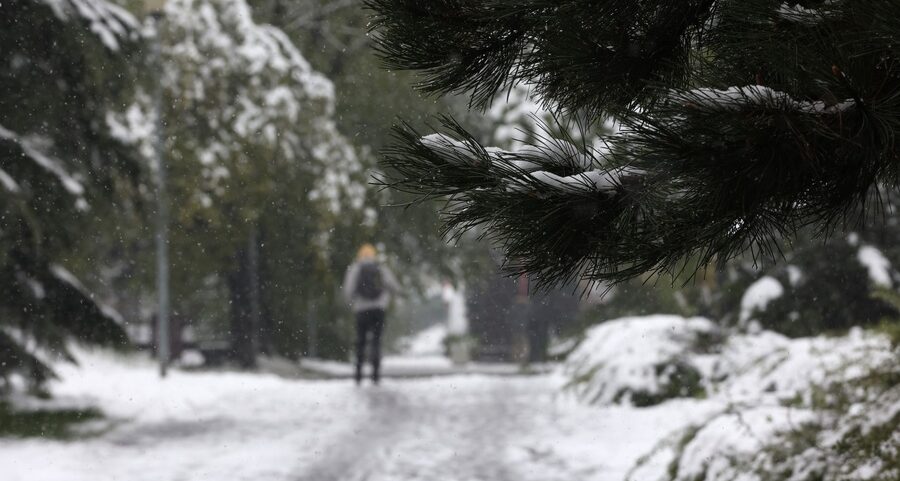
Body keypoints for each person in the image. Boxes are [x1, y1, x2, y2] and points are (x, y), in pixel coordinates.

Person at [342, 243, 399, 385]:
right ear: (373, 255)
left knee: (360, 342)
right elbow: (393, 285)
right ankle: (375, 375)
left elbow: (348, 290)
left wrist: (352, 302)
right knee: (376, 341)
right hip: (378, 309)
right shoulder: (380, 267)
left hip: (361, 309)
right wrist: (390, 297)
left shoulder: (355, 268)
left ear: (359, 255)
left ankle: (358, 375)